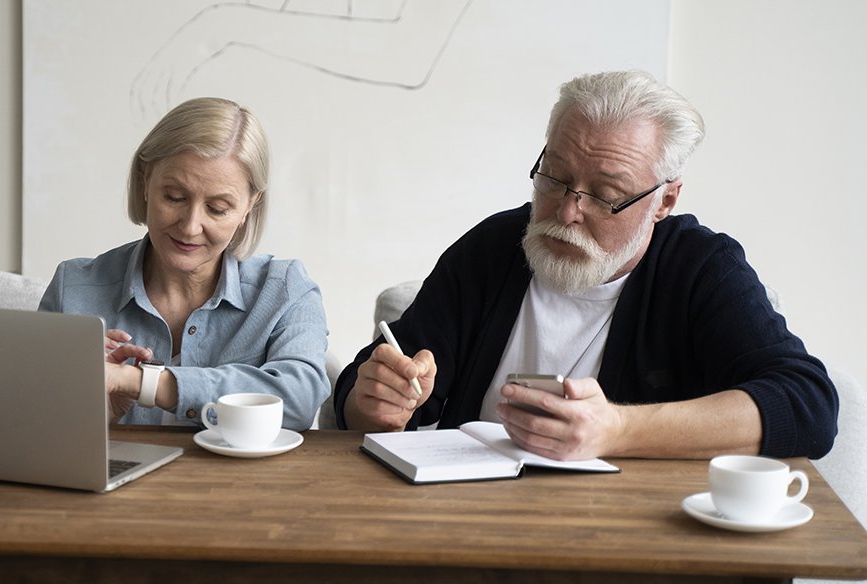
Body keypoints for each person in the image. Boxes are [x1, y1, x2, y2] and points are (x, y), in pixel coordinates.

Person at [334, 70, 838, 460]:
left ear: (664, 201)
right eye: (554, 177)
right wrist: (375, 402)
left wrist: (616, 430)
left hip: (634, 537)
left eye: (606, 195)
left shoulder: (700, 269)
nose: (568, 211)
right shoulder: (494, 249)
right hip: (473, 522)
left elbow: (807, 405)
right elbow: (362, 392)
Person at [39, 97, 328, 431]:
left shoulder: (285, 290)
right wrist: (90, 417)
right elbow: (25, 420)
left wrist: (138, 381)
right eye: (174, 197)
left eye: (218, 208)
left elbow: (298, 402)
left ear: (251, 204)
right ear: (145, 180)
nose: (190, 226)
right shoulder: (73, 288)